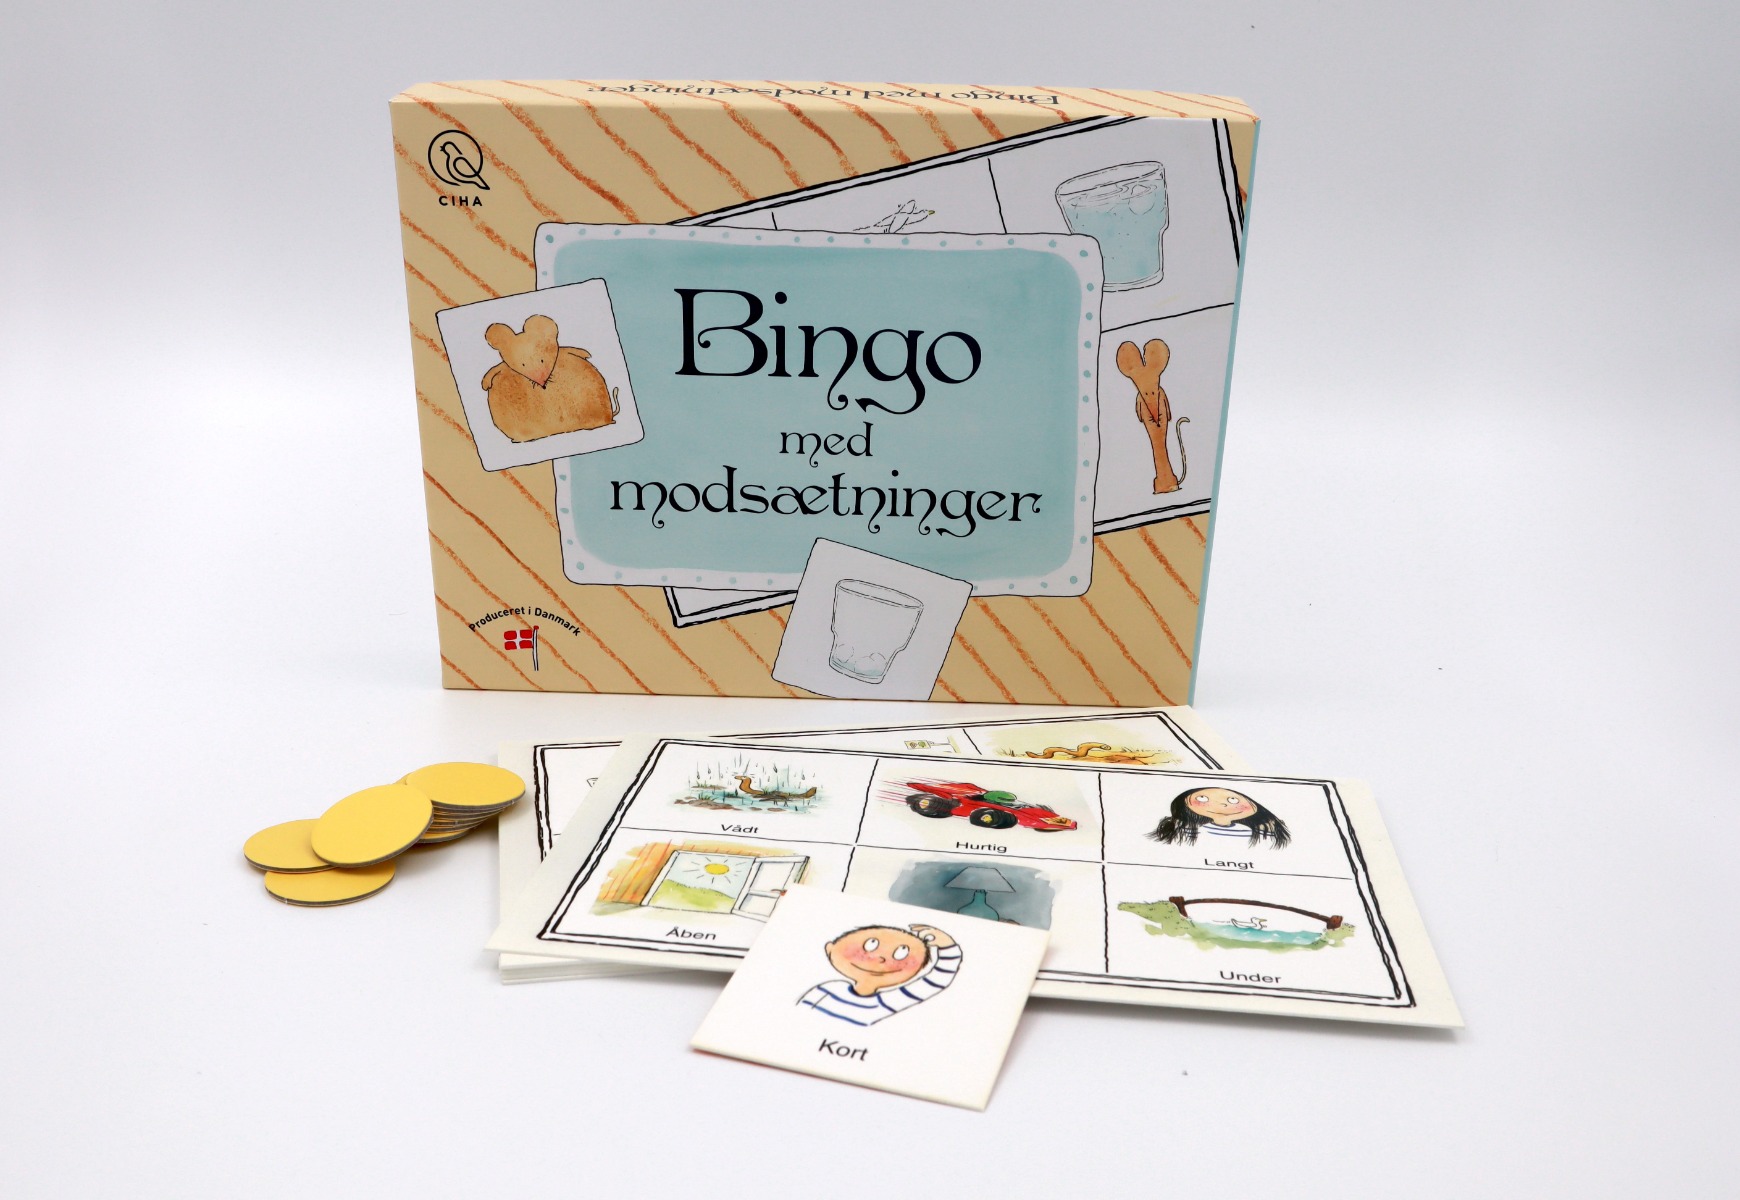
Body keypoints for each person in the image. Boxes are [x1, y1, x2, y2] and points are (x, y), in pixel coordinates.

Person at [797, 923, 961, 1026]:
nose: (880, 958)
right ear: (830, 948)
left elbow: (937, 980)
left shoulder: (884, 1003)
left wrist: (948, 947)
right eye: (871, 944)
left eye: (901, 953)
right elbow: (797, 1014)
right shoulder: (828, 988)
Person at [1149, 786, 1291, 848]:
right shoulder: (1193, 831)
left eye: (1233, 800)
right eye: (1202, 798)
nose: (1223, 804)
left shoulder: (1256, 832)